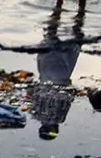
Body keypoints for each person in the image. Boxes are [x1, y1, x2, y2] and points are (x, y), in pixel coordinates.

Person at [31, 9, 84, 140]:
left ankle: (80, 14)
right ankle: (58, 11)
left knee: (75, 40)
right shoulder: (36, 114)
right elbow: (34, 94)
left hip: (62, 76)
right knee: (50, 38)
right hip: (45, 75)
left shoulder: (60, 118)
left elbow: (68, 99)